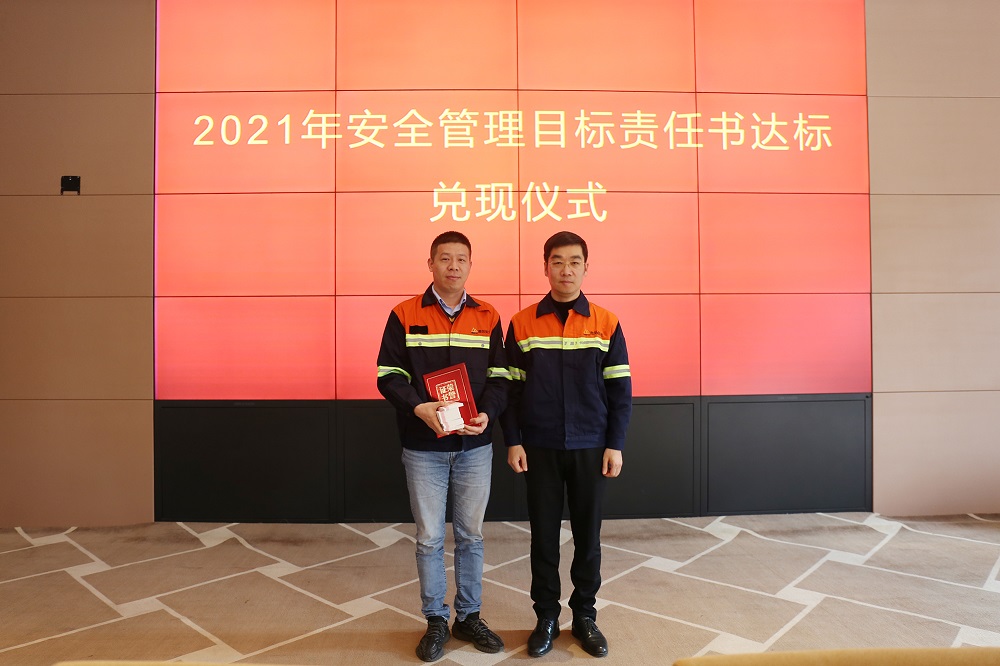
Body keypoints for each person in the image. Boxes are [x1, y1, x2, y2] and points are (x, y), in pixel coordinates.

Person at [376, 230, 509, 663]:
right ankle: (435, 619)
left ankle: (468, 617)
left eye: (461, 259)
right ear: (430, 263)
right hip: (423, 447)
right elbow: (388, 375)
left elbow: (501, 376)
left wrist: (487, 413)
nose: (454, 266)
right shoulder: (404, 314)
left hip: (475, 446)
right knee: (430, 537)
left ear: (470, 265)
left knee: (471, 535)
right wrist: (419, 408)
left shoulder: (487, 315)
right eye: (445, 258)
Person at [502, 230, 632, 659]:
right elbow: (511, 390)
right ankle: (546, 617)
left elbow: (620, 390)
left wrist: (614, 443)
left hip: (591, 446)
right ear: (545, 267)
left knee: (587, 537)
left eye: (574, 262)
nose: (566, 270)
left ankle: (585, 617)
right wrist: (513, 441)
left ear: (586, 268)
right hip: (539, 446)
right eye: (557, 262)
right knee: (543, 537)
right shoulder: (522, 323)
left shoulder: (606, 322)